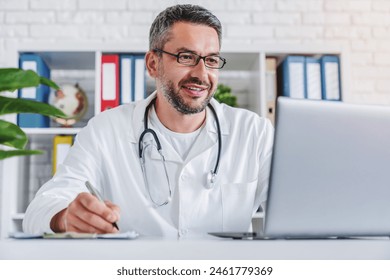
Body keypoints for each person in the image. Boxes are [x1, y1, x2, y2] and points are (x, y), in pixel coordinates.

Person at [23, 4, 274, 238]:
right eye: (186, 57)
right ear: (153, 64)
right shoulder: (106, 130)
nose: (201, 74)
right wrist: (65, 217)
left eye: (211, 60)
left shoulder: (255, 132)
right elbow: (40, 208)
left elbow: (298, 210)